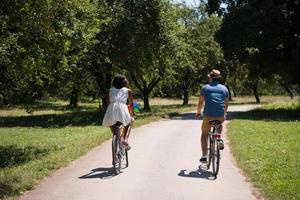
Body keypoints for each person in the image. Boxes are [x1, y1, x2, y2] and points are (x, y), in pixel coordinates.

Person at [196, 69, 229, 162]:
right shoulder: (224, 89)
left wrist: (198, 112)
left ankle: (204, 155)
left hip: (208, 116)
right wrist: (225, 113)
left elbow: (200, 102)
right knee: (219, 123)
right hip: (220, 116)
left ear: (210, 78)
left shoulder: (205, 88)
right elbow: (226, 104)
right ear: (218, 79)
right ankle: (218, 138)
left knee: (204, 134)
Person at [102, 74, 134, 150]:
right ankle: (124, 139)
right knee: (130, 122)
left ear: (114, 82)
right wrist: (132, 113)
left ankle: (118, 138)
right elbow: (131, 104)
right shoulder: (127, 91)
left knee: (112, 124)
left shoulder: (109, 90)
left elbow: (108, 103)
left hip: (111, 108)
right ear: (125, 82)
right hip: (122, 109)